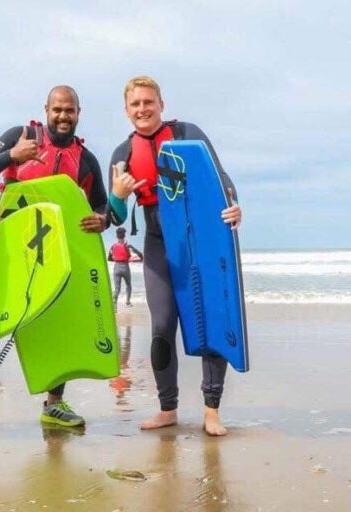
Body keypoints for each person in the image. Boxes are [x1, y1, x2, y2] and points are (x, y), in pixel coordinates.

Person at [0, 85, 108, 432]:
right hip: (7, 249)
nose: (63, 116)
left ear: (78, 112)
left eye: (69, 110)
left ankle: (53, 405)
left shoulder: (85, 159)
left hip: (54, 255)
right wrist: (12, 155)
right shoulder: (22, 136)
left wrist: (101, 219)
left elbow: (100, 203)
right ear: (46, 109)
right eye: (57, 109)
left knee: (57, 328)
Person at [107, 76, 242, 436]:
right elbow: (114, 216)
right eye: (135, 104)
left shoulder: (185, 133)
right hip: (157, 241)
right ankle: (168, 408)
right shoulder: (122, 154)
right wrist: (119, 196)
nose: (143, 109)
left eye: (148, 102)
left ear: (161, 104)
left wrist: (233, 204)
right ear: (126, 110)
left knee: (209, 320)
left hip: (199, 237)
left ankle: (211, 410)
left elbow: (220, 176)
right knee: (163, 323)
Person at [108, 226, 143, 309]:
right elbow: (140, 254)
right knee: (128, 285)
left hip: (116, 267)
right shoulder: (128, 246)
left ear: (117, 236)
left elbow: (109, 258)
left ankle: (114, 303)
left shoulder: (113, 246)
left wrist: (117, 259)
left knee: (117, 288)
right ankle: (127, 302)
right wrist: (141, 259)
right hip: (125, 267)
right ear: (124, 235)